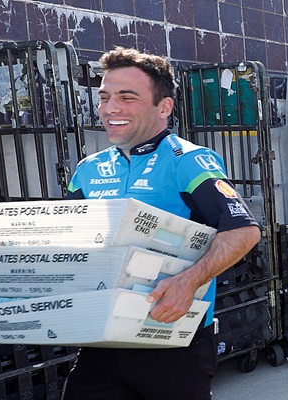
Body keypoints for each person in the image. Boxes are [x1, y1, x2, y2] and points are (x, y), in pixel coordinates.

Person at [61, 47, 261, 400]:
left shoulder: (189, 161)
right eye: (105, 97)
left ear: (163, 107)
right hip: (102, 338)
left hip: (171, 338)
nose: (111, 108)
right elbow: (70, 239)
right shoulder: (87, 170)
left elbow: (244, 231)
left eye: (128, 97)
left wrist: (187, 283)